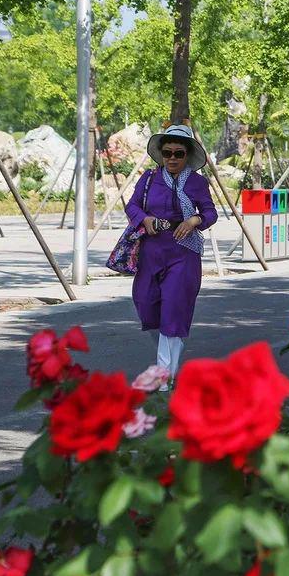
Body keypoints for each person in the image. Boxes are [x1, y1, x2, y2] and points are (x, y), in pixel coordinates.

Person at [126, 124, 217, 390]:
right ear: (161, 154)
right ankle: (170, 351)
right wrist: (145, 218)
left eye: (179, 153)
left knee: (173, 310)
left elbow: (211, 213)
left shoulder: (198, 182)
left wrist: (195, 220)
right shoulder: (148, 179)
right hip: (151, 252)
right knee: (146, 303)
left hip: (184, 253)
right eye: (168, 153)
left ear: (187, 155)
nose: (173, 158)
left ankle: (164, 375)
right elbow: (132, 206)